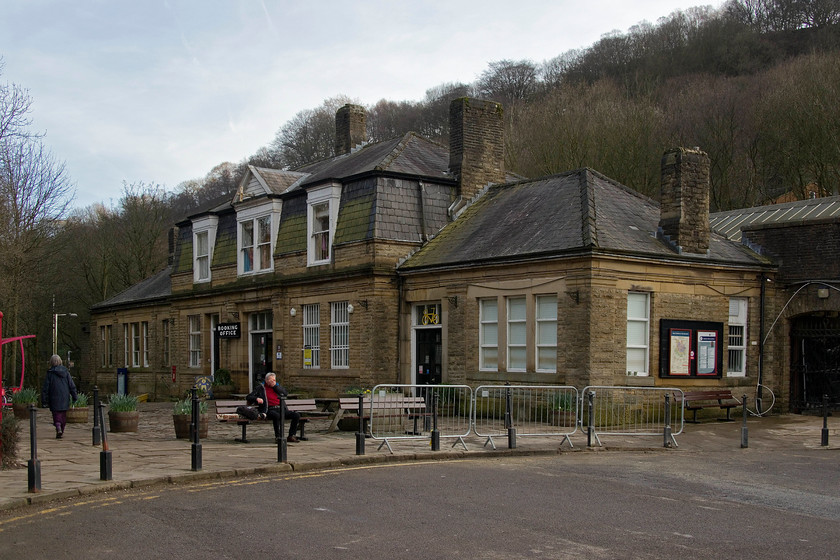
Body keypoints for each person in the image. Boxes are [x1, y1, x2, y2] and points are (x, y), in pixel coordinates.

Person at [246, 372, 301, 443]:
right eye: (271, 380)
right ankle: (278, 437)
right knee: (276, 416)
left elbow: (285, 393)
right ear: (266, 380)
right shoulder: (261, 388)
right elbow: (249, 397)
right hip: (269, 409)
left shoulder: (277, 387)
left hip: (281, 408)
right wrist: (256, 399)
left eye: (274, 380)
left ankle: (291, 435)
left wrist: (275, 386)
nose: (273, 382)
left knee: (296, 415)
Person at [41, 354, 78, 439]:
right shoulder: (66, 372)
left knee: (56, 414)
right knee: (63, 415)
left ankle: (58, 426)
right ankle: (61, 429)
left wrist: (44, 401)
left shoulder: (50, 373)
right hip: (65, 396)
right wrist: (74, 396)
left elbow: (45, 388)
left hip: (54, 397)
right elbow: (71, 385)